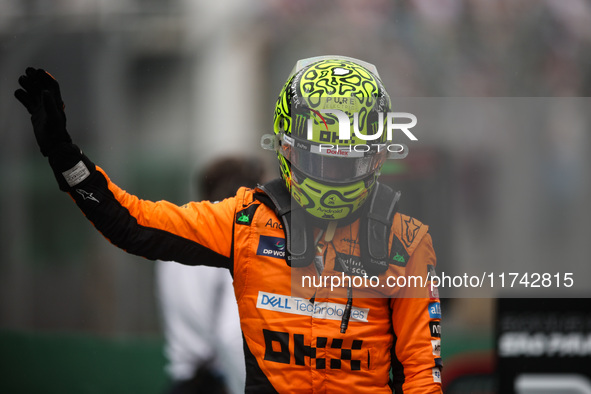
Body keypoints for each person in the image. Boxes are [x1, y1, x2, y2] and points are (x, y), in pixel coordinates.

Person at [15, 56, 442, 393]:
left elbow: (422, 373)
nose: (331, 176)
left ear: (378, 159)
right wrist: (64, 155)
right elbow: (133, 224)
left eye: (346, 162)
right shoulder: (246, 221)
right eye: (320, 160)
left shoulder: (404, 241)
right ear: (287, 150)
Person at [157, 157, 265, 394]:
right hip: (220, 381)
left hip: (183, 380)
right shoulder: (235, 243)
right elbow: (230, 335)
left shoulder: (179, 236)